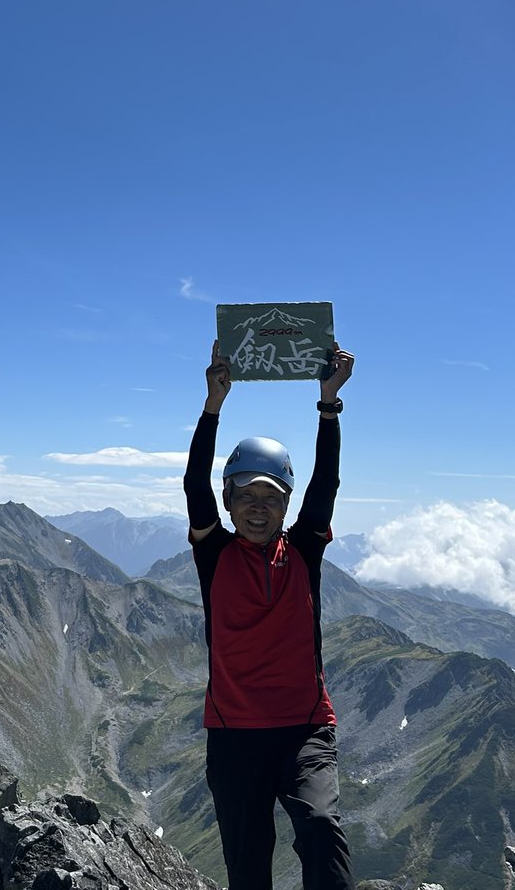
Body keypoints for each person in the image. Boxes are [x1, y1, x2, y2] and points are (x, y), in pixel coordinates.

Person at [184, 339, 356, 890]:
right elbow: (193, 486)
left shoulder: (304, 550)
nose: (258, 507)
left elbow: (325, 485)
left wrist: (328, 406)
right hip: (235, 734)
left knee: (321, 826)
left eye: (272, 498)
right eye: (246, 497)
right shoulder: (215, 555)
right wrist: (213, 405)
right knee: (248, 864)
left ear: (285, 506)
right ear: (229, 502)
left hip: (305, 728)